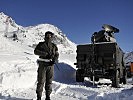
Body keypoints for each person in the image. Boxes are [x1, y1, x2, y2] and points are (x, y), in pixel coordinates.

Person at [34, 31, 59, 100]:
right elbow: (35, 51)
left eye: (50, 36)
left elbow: (57, 54)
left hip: (51, 66)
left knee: (49, 82)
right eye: (47, 36)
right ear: (45, 36)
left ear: (52, 37)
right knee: (41, 81)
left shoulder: (54, 46)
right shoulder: (41, 44)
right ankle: (39, 97)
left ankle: (48, 97)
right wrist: (45, 54)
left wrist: (55, 60)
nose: (49, 37)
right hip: (42, 65)